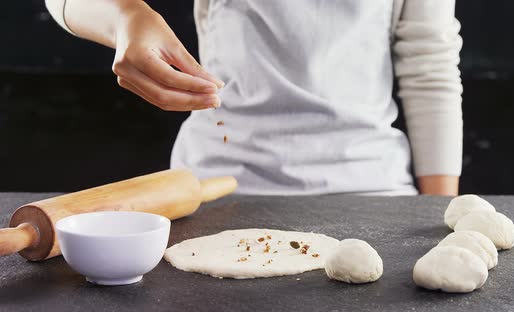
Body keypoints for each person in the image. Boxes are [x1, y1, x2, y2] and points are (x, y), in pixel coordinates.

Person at [46, 0, 463, 196]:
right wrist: (127, 17)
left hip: (373, 191)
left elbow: (430, 65)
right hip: (211, 192)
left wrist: (441, 217)